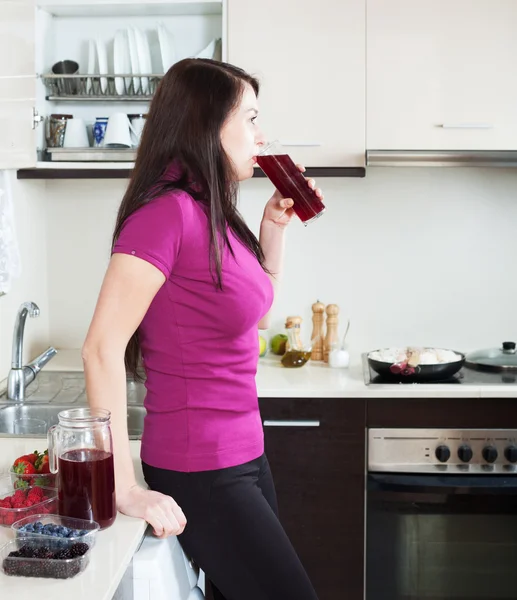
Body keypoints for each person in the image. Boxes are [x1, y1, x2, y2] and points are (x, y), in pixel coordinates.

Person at [82, 58, 323, 600]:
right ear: (207, 124)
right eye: (251, 119)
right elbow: (101, 348)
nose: (261, 136)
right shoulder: (166, 214)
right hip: (200, 465)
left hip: (244, 453)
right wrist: (122, 488)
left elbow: (253, 314)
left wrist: (272, 231)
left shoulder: (212, 210)